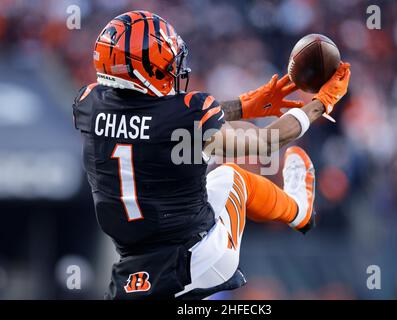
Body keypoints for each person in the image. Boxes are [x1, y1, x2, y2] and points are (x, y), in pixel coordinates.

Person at [72, 10, 351, 299]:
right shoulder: (187, 114)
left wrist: (245, 105)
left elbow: (151, 121)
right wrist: (322, 103)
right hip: (198, 259)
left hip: (133, 269)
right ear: (148, 70)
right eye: (167, 63)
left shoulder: (87, 106)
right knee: (232, 177)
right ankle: (298, 210)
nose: (174, 70)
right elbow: (268, 141)